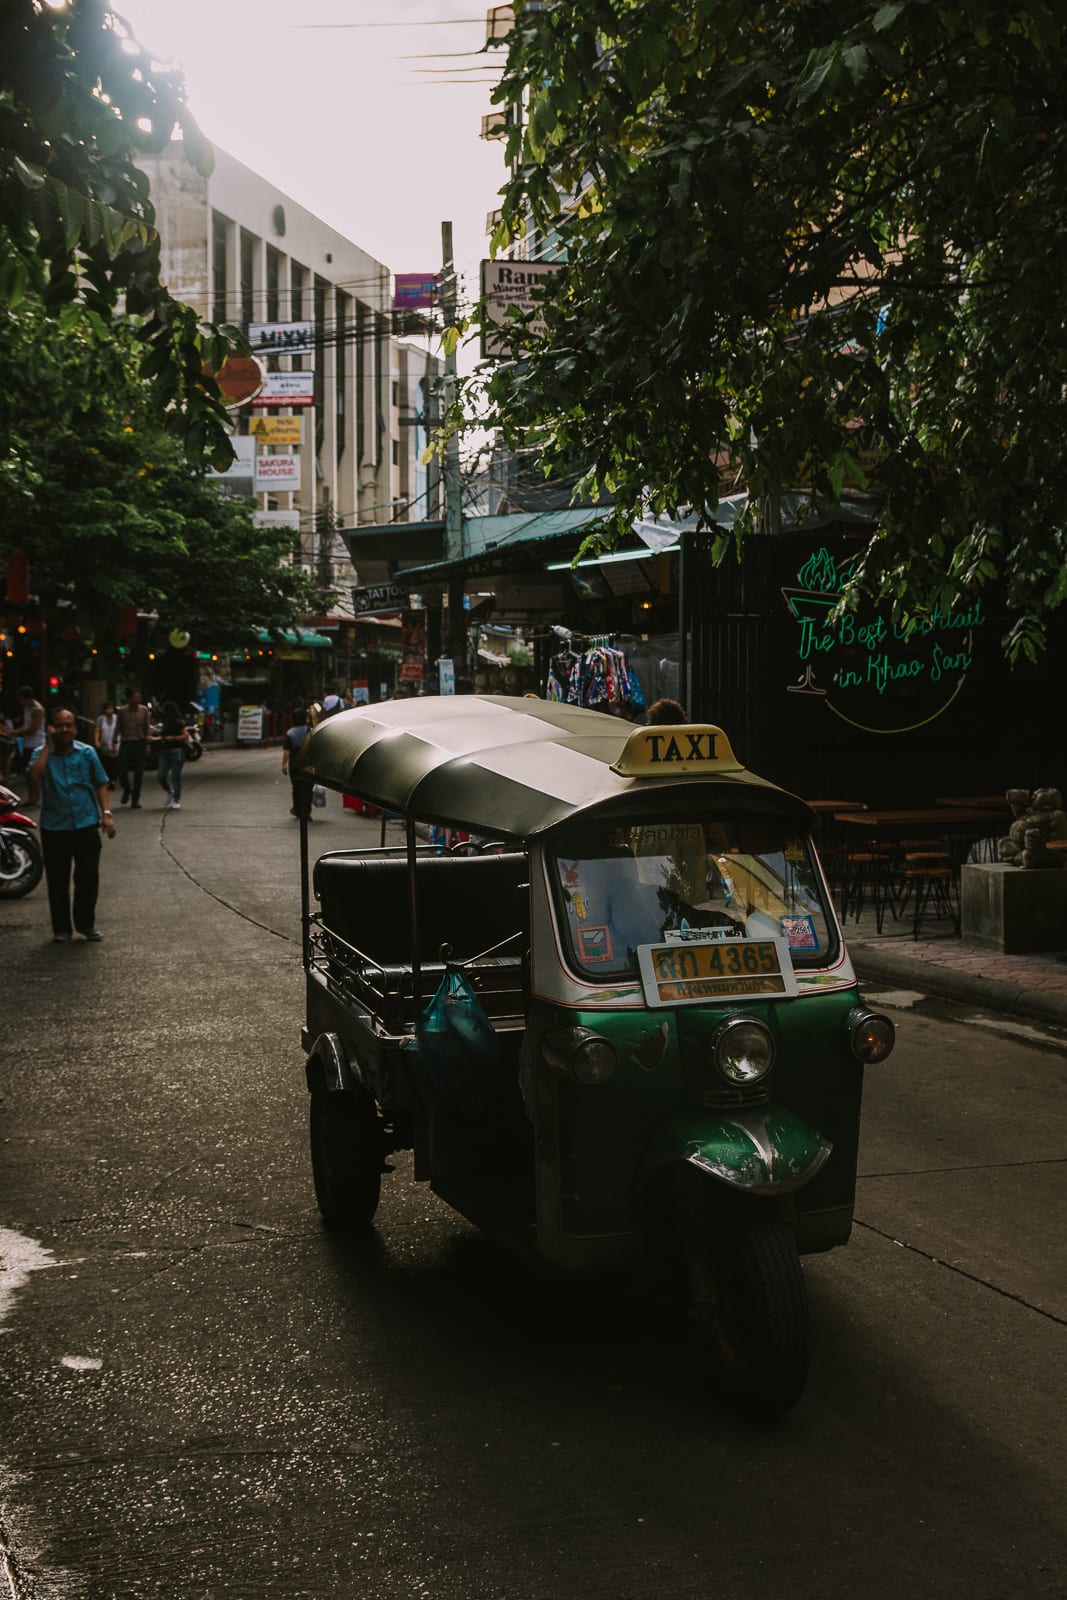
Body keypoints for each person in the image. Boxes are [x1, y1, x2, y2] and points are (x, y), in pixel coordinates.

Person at [29, 706, 115, 942]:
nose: (65, 729)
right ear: (52, 728)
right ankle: (62, 929)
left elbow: (100, 783)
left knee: (88, 877)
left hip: (86, 824)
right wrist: (48, 744)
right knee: (58, 880)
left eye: (69, 725)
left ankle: (86, 925)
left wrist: (106, 813)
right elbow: (34, 776)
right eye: (59, 725)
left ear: (75, 728)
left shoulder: (87, 753)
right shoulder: (41, 754)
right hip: (55, 827)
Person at [115, 687, 151, 807]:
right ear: (129, 699)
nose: (137, 700)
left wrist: (148, 743)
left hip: (139, 743)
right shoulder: (122, 711)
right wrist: (114, 740)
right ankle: (127, 788)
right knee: (121, 769)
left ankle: (135, 799)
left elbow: (147, 727)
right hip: (126, 743)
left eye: (138, 698)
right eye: (134, 698)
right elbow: (118, 726)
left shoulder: (144, 710)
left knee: (139, 773)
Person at [13, 685, 45, 804]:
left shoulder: (37, 709)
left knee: (34, 774)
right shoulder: (26, 708)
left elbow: (32, 729)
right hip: (27, 743)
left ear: (26, 698)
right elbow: (25, 725)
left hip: (36, 744)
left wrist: (14, 732)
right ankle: (31, 798)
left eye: (21, 698)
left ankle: (36, 799)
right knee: (27, 773)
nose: (20, 701)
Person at [156, 699, 189, 810]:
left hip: (177, 751)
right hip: (164, 751)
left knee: (175, 776)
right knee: (161, 775)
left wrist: (173, 738)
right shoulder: (163, 722)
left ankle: (176, 799)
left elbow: (185, 736)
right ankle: (169, 792)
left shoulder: (177, 722)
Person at [281, 706, 312, 819]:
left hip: (294, 764)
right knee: (308, 788)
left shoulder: (290, 733)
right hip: (308, 763)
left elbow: (287, 751)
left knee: (296, 788)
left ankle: (298, 809)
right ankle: (307, 812)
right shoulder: (310, 731)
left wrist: (284, 765)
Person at [94, 701, 120, 790]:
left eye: (111, 708)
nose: (110, 710)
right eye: (108, 708)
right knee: (106, 762)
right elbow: (97, 731)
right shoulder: (101, 719)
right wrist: (96, 741)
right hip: (104, 743)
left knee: (115, 762)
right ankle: (107, 779)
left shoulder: (117, 718)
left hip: (115, 743)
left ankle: (113, 780)